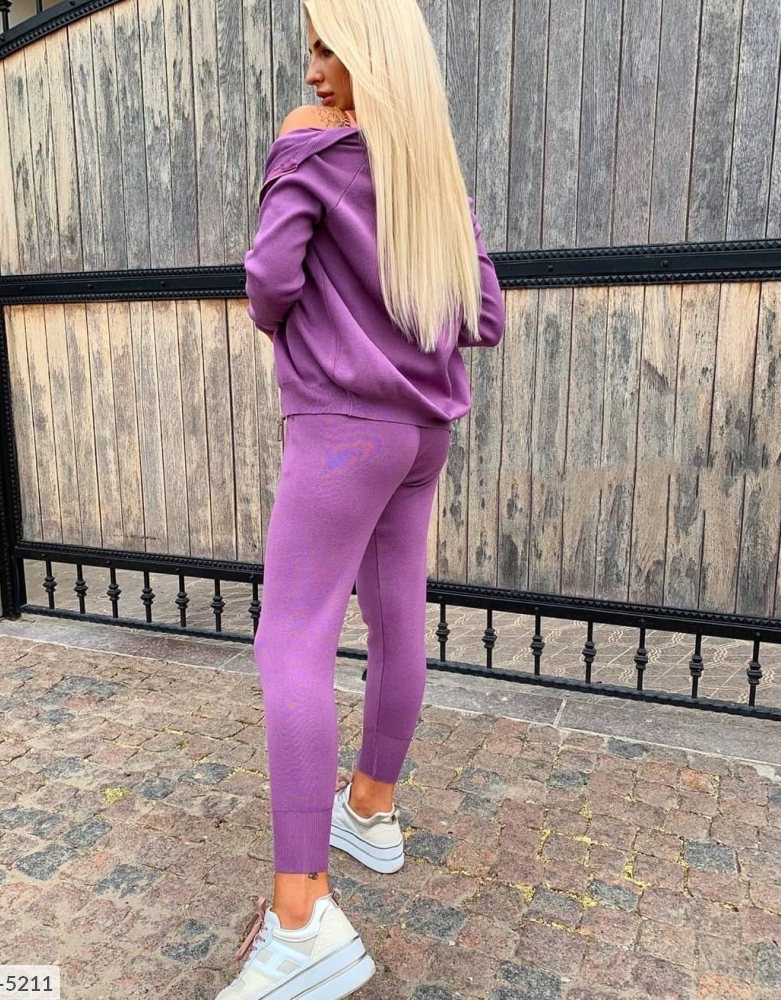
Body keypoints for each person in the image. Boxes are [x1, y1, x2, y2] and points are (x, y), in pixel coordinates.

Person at [215, 0, 505, 996]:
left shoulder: (315, 145)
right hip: (422, 433)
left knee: (290, 641)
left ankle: (300, 918)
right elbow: (482, 312)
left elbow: (268, 282)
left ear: (367, 54)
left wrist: (298, 155)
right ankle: (370, 809)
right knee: (394, 620)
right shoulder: (431, 172)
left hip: (343, 432)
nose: (311, 73)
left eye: (325, 49)